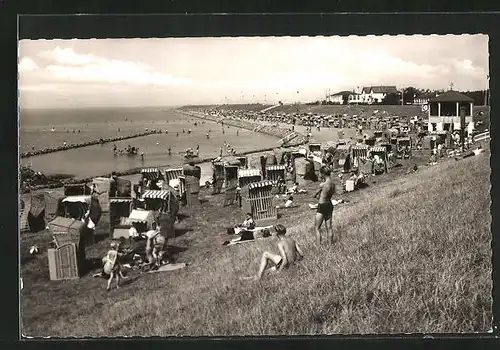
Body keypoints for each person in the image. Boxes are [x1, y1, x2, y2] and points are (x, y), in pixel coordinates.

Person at [313, 166, 335, 245]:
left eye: (320, 173)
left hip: (322, 205)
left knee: (317, 227)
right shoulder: (333, 184)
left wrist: (317, 195)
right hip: (329, 204)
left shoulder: (322, 184)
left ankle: (318, 246)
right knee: (329, 227)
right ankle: (330, 244)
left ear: (323, 174)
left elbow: (314, 194)